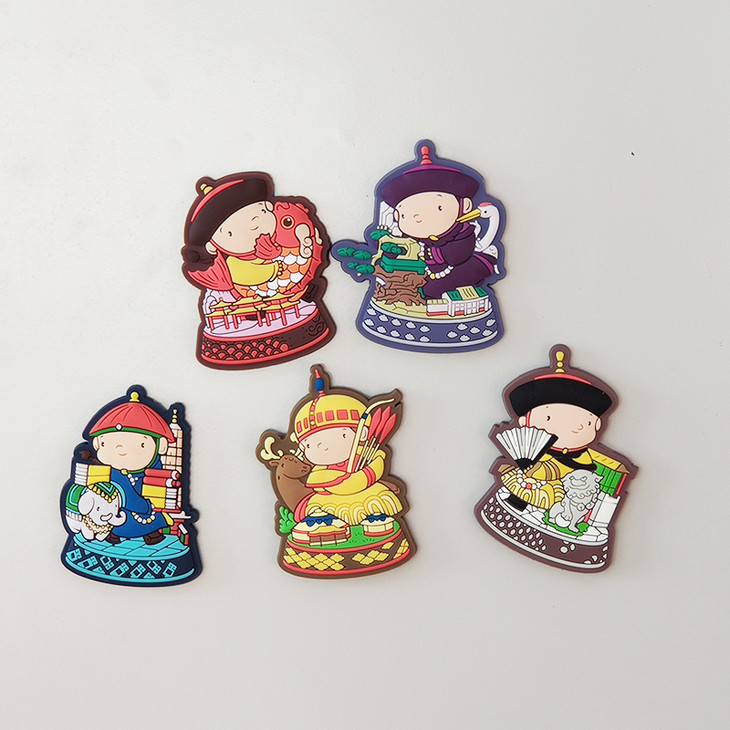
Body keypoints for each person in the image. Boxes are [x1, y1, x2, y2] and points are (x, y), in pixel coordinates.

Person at [288, 384, 402, 545]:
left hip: (365, 493)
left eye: (339, 436)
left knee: (375, 508)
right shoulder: (319, 474)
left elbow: (371, 473)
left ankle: (375, 527)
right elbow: (325, 485)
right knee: (319, 512)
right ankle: (330, 530)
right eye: (308, 445)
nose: (322, 447)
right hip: (329, 500)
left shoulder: (369, 457)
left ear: (362, 434)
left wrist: (355, 479)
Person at [380, 145, 497, 299]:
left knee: (431, 290)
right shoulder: (422, 240)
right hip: (436, 273)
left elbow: (456, 257)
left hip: (467, 266)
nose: (418, 218)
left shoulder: (462, 233)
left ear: (465, 206)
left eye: (439, 208)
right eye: (404, 215)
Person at [88, 391, 175, 544]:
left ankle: (150, 532)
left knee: (148, 519)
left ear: (160, 446)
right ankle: (118, 533)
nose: (121, 450)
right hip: (118, 513)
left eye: (141, 445)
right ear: (97, 444)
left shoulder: (153, 472)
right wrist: (145, 507)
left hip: (144, 512)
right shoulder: (112, 473)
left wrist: (147, 507)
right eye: (106, 444)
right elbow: (127, 497)